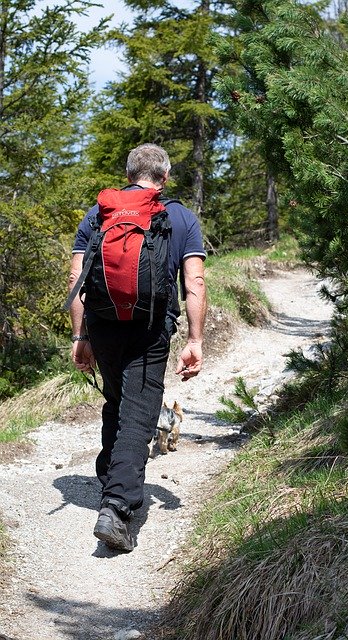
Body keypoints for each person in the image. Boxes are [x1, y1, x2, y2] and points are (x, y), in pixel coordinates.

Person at [68, 143, 207, 552]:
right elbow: (194, 282)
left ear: (129, 174)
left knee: (117, 399)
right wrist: (195, 340)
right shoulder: (180, 216)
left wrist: (81, 337)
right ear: (164, 178)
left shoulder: (99, 213)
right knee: (140, 415)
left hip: (104, 324)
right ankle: (116, 506)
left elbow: (77, 278)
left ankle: (111, 473)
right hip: (151, 328)